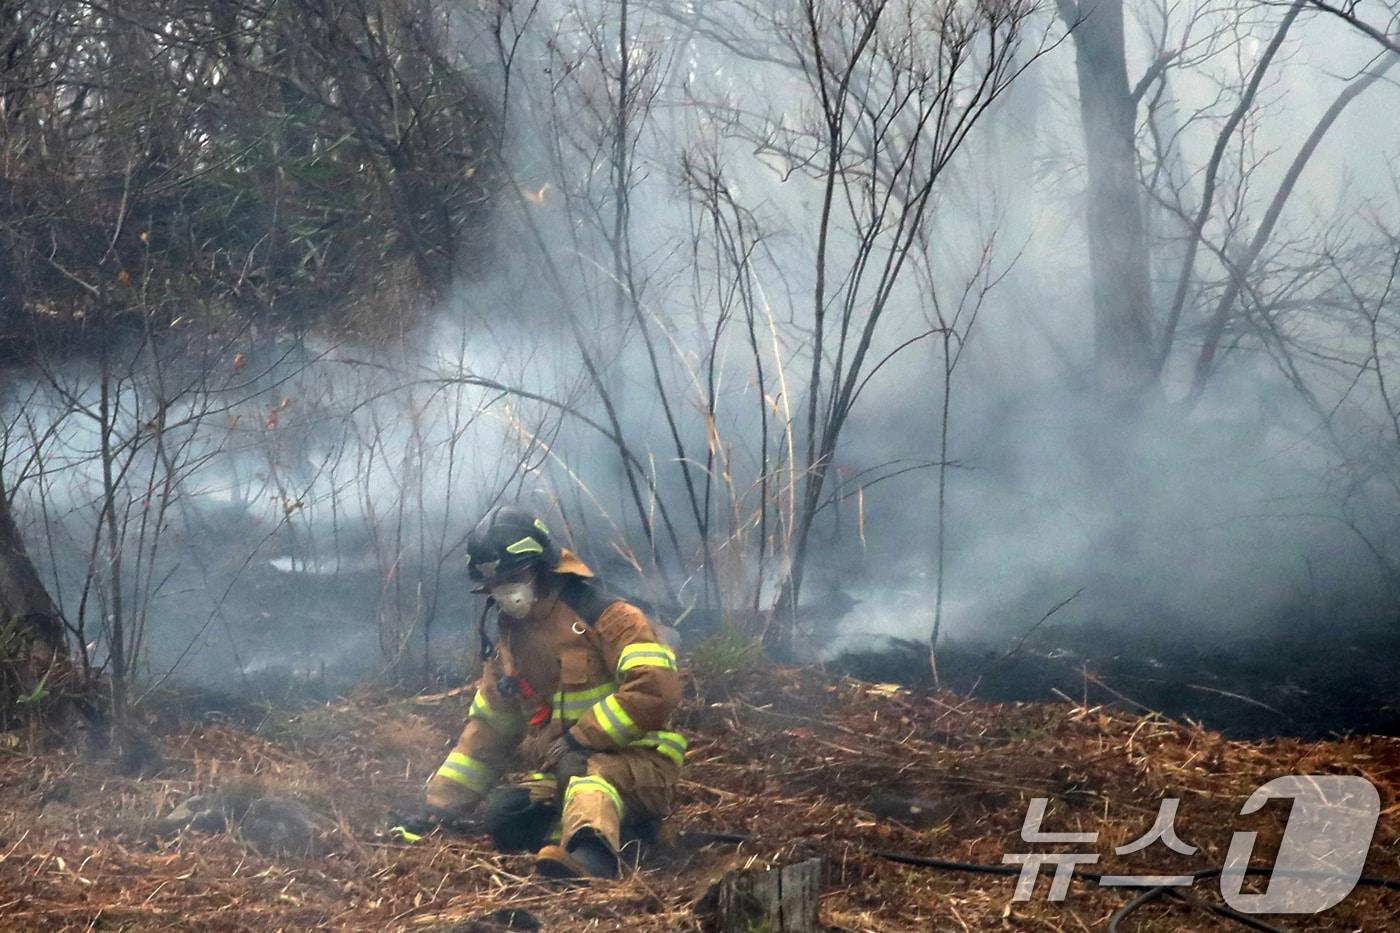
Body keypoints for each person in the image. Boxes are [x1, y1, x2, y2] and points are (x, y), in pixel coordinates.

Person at [396, 505, 685, 879]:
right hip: (564, 769)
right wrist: (436, 807)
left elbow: (656, 688)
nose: (505, 593)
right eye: (495, 585)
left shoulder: (606, 616)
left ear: (542, 568)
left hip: (643, 763)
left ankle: (593, 860)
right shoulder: (512, 642)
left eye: (513, 578)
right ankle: (635, 836)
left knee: (585, 777)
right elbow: (489, 731)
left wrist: (581, 739)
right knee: (506, 816)